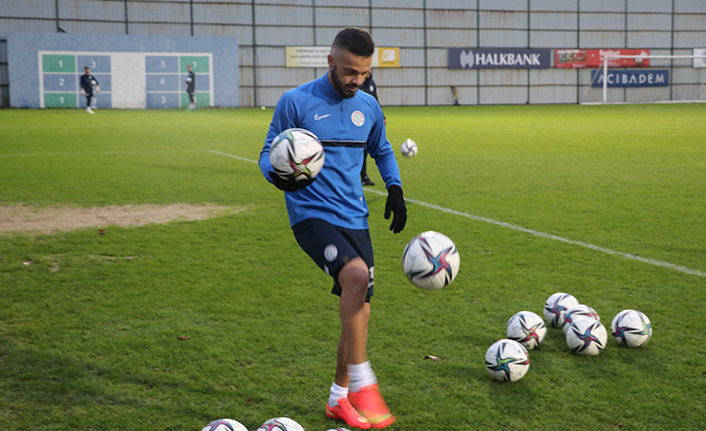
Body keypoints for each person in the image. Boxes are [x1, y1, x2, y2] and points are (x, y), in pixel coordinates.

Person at [259, 27, 407, 430]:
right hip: (311, 216)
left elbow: (382, 149)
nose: (355, 81)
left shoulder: (368, 106)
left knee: (359, 310)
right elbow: (266, 153)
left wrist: (394, 187)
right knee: (355, 277)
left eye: (362, 73)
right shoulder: (297, 102)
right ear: (330, 62)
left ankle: (338, 398)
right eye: (348, 72)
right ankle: (363, 383)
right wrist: (278, 175)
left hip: (354, 217)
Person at [358, 71, 382, 186]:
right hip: (357, 119)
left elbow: (376, 100)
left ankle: (363, 176)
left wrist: (383, 116)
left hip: (370, 119)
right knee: (361, 149)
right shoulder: (358, 83)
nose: (368, 71)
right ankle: (361, 176)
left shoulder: (372, 83)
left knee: (366, 149)